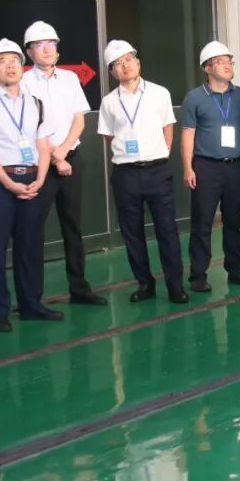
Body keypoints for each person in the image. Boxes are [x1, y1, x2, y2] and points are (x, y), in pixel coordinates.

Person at [0, 38, 62, 331]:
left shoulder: (35, 104)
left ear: (23, 66)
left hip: (32, 179)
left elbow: (43, 145)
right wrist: (9, 183)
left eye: (14, 61)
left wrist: (40, 179)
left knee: (30, 245)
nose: (10, 66)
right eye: (2, 61)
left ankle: (31, 304)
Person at [97, 40, 189, 304]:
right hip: (125, 174)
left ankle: (175, 286)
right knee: (132, 232)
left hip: (157, 170)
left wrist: (162, 151)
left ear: (138, 62)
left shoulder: (159, 93)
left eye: (129, 59)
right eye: (118, 64)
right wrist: (128, 155)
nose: (125, 66)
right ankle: (145, 284)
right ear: (112, 72)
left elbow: (168, 126)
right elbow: (109, 136)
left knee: (167, 230)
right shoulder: (109, 102)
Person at [21, 21, 106, 306]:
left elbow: (79, 120)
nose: (47, 49)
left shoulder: (69, 78)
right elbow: (28, 127)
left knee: (73, 226)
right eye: (40, 45)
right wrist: (54, 157)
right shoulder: (23, 82)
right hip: (40, 165)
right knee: (33, 229)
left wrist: (63, 151)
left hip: (71, 159)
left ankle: (79, 289)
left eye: (51, 44)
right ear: (29, 52)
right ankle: (32, 297)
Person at [180, 41, 240, 293]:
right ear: (207, 68)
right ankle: (198, 275)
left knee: (233, 222)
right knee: (202, 223)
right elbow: (188, 134)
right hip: (206, 167)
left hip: (235, 167)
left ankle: (235, 270)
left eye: (230, 61)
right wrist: (188, 168)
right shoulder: (194, 97)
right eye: (221, 61)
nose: (228, 65)